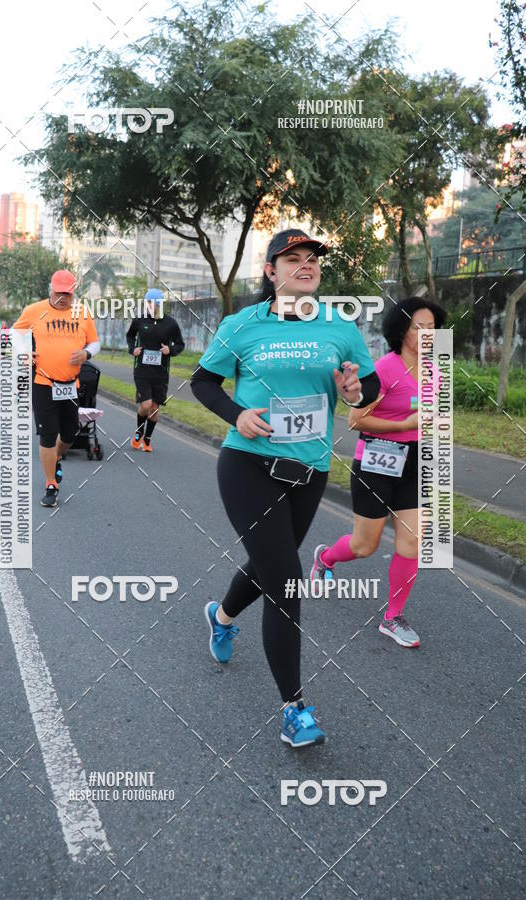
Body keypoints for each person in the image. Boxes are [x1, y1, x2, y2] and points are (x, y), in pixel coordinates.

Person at [190, 228, 381, 748]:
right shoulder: (242, 325)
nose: (305, 265)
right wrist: (237, 414)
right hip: (247, 464)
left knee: (269, 564)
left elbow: (368, 384)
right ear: (271, 271)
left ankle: (221, 616)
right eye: (292, 258)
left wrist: (355, 391)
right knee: (286, 580)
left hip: (309, 471)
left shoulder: (339, 327)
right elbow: (202, 382)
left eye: (312, 258)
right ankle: (293, 709)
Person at [310, 296, 446, 648]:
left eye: (432, 328)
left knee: (412, 542)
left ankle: (392, 617)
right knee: (364, 545)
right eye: (419, 327)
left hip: (416, 463)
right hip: (377, 461)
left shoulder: (435, 372)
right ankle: (325, 558)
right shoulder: (384, 369)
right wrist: (404, 424)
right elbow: (356, 420)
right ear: (401, 331)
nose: (427, 334)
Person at [12, 269, 100, 508]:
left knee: (70, 434)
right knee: (48, 435)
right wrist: (24, 352)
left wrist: (87, 353)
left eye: (67, 294)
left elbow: (95, 342)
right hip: (43, 382)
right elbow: (15, 334)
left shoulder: (82, 313)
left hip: (71, 385)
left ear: (74, 293)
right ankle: (51, 484)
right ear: (51, 290)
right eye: (59, 293)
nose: (63, 298)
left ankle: (57, 457)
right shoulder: (34, 310)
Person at [126, 288, 185, 452]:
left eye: (152, 302)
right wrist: (132, 349)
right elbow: (130, 336)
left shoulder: (171, 324)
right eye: (147, 302)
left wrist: (170, 350)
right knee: (145, 405)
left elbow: (180, 344)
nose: (149, 305)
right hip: (142, 370)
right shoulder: (139, 320)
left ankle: (147, 439)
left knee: (154, 408)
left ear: (159, 303)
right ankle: (139, 432)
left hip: (160, 373)